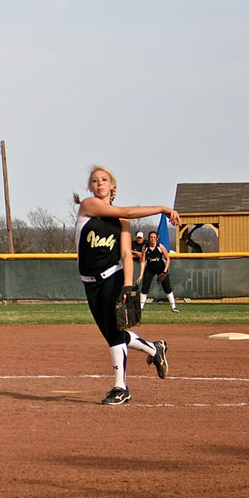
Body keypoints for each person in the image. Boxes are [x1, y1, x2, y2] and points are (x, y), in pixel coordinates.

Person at [73, 165, 181, 405]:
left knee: (113, 333)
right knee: (113, 333)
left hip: (113, 277)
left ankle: (120, 387)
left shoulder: (121, 220)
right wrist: (163, 208)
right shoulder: (88, 207)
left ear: (112, 186)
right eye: (94, 180)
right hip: (90, 283)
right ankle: (155, 349)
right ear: (90, 187)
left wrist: (128, 286)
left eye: (104, 179)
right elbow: (126, 211)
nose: (99, 183)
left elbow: (125, 253)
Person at [137, 230, 179, 313]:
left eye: (154, 237)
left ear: (157, 238)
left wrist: (164, 272)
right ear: (149, 239)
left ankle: (173, 306)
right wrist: (141, 275)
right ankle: (141, 307)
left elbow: (168, 259)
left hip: (161, 269)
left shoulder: (160, 247)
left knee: (167, 288)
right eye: (151, 237)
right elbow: (143, 261)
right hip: (150, 269)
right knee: (145, 287)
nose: (152, 239)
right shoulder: (145, 248)